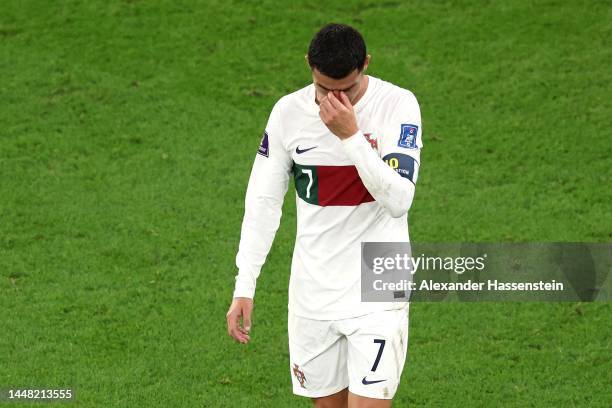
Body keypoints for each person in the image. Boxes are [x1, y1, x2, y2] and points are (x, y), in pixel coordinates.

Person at [226, 22, 423, 408]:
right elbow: (262, 203)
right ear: (308, 66)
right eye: (323, 90)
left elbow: (399, 200)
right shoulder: (287, 113)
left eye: (346, 90)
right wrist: (244, 285)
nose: (333, 103)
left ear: (365, 64)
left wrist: (350, 136)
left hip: (379, 287)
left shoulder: (397, 105)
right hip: (313, 292)